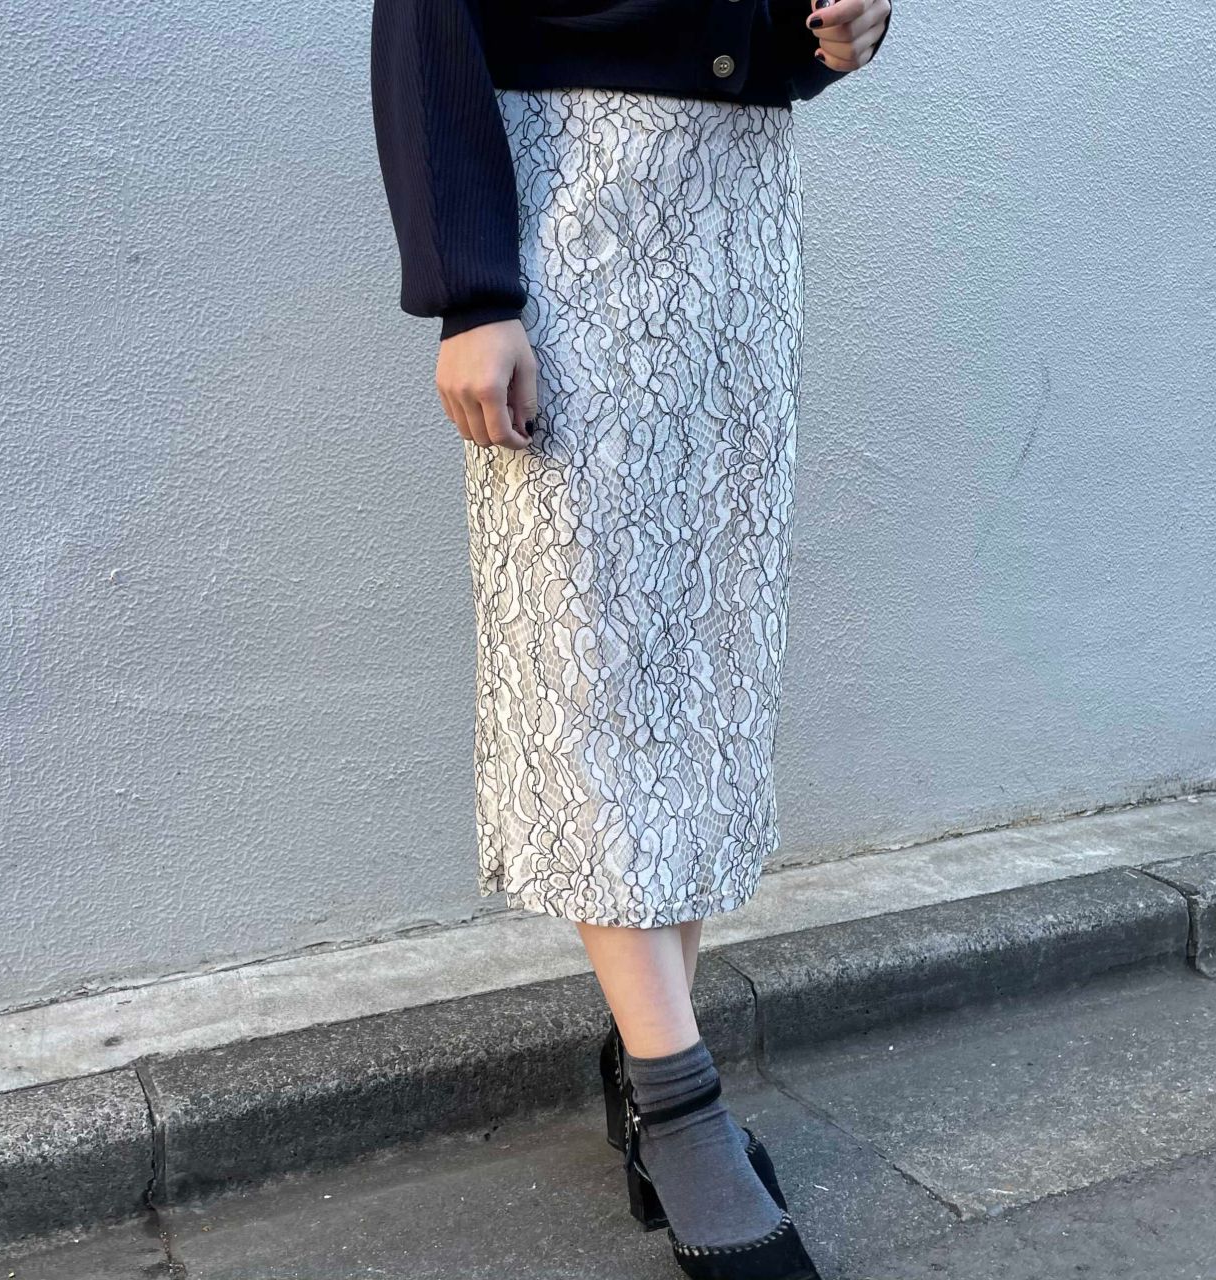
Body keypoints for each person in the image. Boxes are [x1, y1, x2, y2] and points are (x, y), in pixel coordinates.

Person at [369, 2, 892, 1275]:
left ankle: (647, 1064)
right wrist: (469, 290)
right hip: (573, 206)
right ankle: (681, 1103)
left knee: (700, 656)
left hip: (736, 214)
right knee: (588, 654)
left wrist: (834, 34)